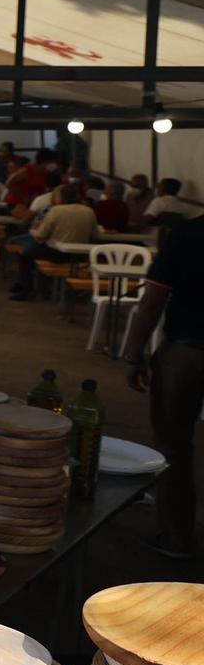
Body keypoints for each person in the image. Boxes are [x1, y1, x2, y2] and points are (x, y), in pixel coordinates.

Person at [124, 213, 204, 558]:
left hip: (188, 350)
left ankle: (176, 537)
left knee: (174, 444)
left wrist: (133, 353)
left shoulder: (188, 233)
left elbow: (153, 299)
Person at [9, 183, 97, 299]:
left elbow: (41, 234)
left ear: (60, 198)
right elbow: (95, 235)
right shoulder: (89, 211)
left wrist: (35, 233)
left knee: (25, 253)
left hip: (55, 253)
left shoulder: (56, 210)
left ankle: (26, 289)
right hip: (79, 255)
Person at [4, 149, 60, 213]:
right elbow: (9, 183)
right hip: (17, 203)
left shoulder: (45, 173)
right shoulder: (26, 171)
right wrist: (23, 197)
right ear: (43, 161)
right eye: (52, 162)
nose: (54, 165)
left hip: (34, 204)